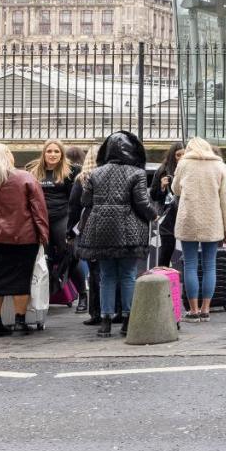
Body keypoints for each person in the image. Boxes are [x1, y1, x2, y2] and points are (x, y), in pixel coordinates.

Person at [78, 131, 155, 337]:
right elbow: (142, 203)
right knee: (128, 275)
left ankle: (105, 321)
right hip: (129, 230)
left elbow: (85, 201)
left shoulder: (95, 173)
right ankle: (127, 320)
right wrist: (153, 215)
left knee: (107, 276)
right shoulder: (136, 173)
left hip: (101, 230)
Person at [0, 143, 49, 336]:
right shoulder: (25, 177)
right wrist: (43, 234)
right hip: (24, 236)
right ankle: (19, 321)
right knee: (21, 278)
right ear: (6, 155)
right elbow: (38, 209)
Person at [171, 137, 226, 322]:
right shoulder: (220, 166)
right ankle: (206, 308)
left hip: (188, 219)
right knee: (210, 265)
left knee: (190, 265)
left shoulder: (184, 164)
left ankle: (193, 310)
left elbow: (176, 190)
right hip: (212, 221)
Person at [27, 139, 86, 309]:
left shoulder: (72, 171)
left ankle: (83, 295)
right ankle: (43, 296)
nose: (52, 155)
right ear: (43, 153)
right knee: (42, 259)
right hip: (41, 219)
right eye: (49, 151)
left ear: (61, 154)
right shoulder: (33, 170)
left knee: (71, 256)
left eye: (56, 151)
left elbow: (75, 200)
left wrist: (74, 225)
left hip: (63, 217)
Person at [67, 147, 99, 322]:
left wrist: (70, 231)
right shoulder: (110, 177)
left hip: (87, 229)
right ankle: (114, 310)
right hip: (111, 230)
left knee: (94, 271)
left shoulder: (82, 179)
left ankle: (95, 312)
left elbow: (74, 207)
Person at [149, 141, 184, 267]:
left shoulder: (190, 170)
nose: (181, 158)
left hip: (184, 214)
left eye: (183, 155)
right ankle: (162, 277)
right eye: (178, 155)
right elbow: (153, 195)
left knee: (188, 253)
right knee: (167, 249)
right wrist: (162, 187)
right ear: (172, 156)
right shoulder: (163, 170)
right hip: (168, 215)